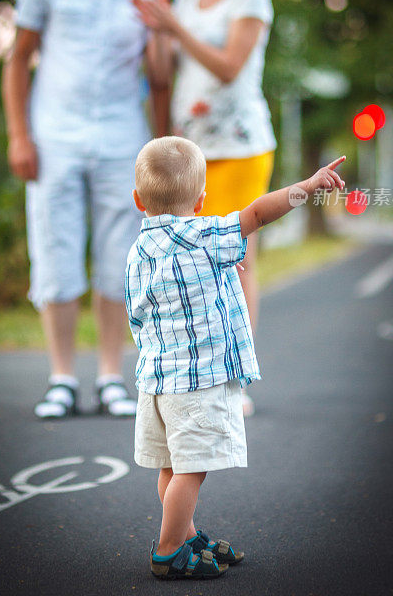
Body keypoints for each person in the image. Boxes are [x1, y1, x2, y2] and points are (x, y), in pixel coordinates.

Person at [125, 136, 345, 579]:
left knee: (172, 466)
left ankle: (185, 534)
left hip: (156, 382)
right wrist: (309, 185)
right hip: (198, 383)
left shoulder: (137, 253)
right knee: (194, 469)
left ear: (137, 200)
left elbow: (136, 313)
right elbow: (260, 211)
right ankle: (169, 550)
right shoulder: (206, 235)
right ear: (202, 200)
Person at [2, 0, 169, 418]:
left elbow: (160, 79)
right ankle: (61, 378)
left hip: (123, 140)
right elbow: (17, 61)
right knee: (56, 248)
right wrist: (19, 135)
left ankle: (109, 378)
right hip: (54, 139)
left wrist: (162, 35)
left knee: (121, 258)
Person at [133, 0, 276, 416]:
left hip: (239, 146)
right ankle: (197, 371)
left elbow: (229, 67)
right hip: (189, 152)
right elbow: (164, 72)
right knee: (187, 262)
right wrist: (155, 34)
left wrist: (175, 28)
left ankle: (236, 380)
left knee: (235, 259)